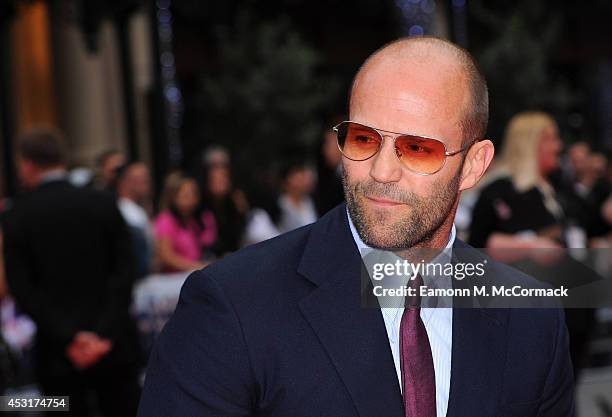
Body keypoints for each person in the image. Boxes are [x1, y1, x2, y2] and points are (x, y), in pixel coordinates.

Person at [139, 37, 574, 417]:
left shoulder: (530, 320)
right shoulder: (233, 307)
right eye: (364, 139)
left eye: (417, 148)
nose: (381, 172)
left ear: (473, 165)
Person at [2, 128, 141, 416]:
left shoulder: (18, 215)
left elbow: (22, 287)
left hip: (58, 356)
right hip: (114, 346)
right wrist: (102, 335)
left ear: (27, 164)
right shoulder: (102, 202)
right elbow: (126, 270)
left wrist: (69, 338)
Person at [154, 172, 217, 272]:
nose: (191, 198)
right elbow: (165, 256)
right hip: (172, 278)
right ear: (173, 197)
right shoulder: (165, 220)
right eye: (186, 194)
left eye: (194, 193)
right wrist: (195, 266)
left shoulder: (194, 221)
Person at [116, 162, 155, 278]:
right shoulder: (125, 212)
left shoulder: (138, 209)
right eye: (142, 181)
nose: (148, 185)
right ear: (126, 182)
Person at [277, 159, 318, 233]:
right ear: (286, 181)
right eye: (297, 177)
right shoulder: (281, 205)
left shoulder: (309, 201)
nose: (303, 180)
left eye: (303, 177)